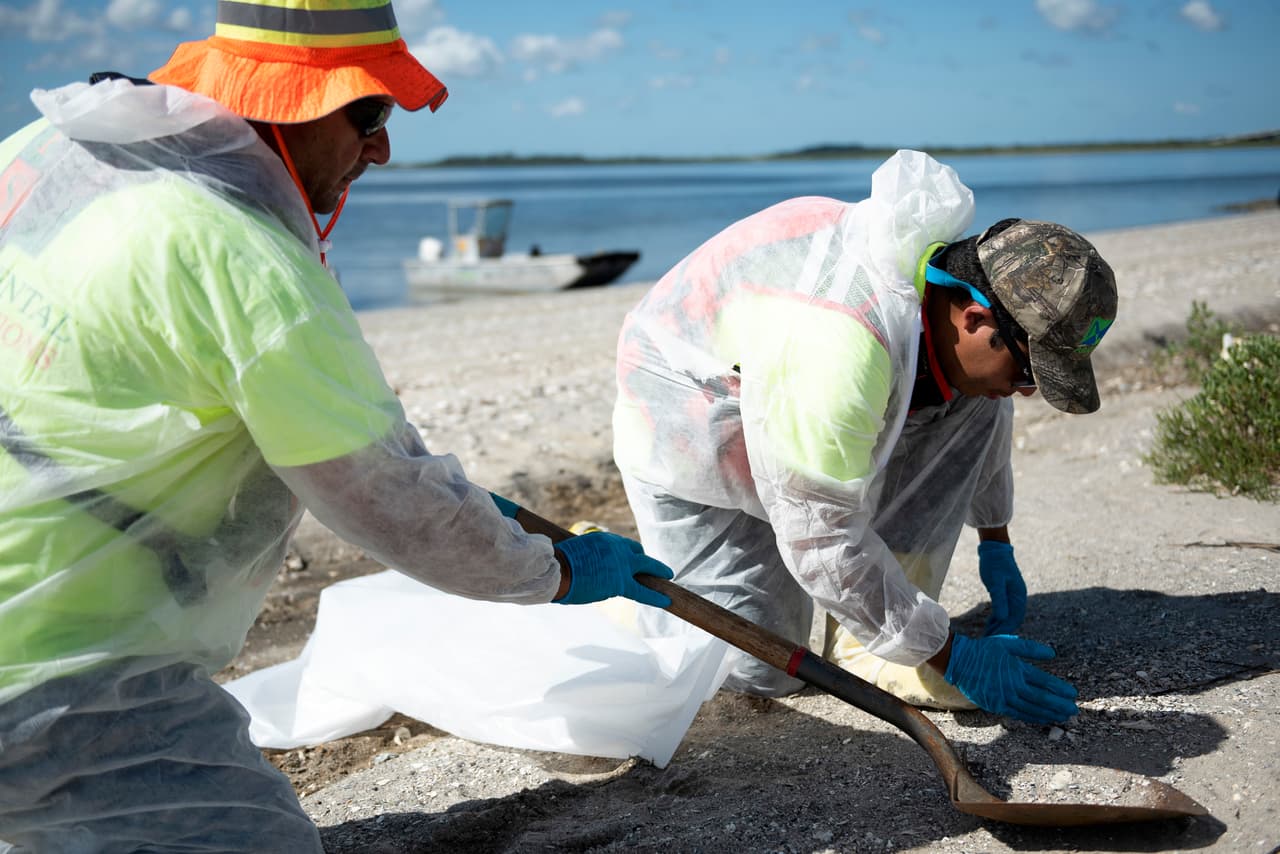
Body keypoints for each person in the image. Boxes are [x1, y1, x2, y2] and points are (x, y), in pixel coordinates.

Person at [0, 1, 672, 850]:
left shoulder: (47, 154)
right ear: (288, 102)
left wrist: (465, 505)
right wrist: (557, 570)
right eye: (371, 111)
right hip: (56, 669)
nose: (382, 146)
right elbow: (386, 501)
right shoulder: (244, 258)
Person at [612, 149, 1117, 725]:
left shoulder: (940, 286)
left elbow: (984, 421)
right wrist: (955, 657)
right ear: (975, 319)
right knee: (758, 670)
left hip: (804, 420)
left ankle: (877, 640)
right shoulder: (841, 348)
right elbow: (820, 541)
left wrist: (995, 539)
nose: (1027, 392)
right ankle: (614, 574)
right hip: (695, 430)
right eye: (1029, 372)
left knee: (980, 395)